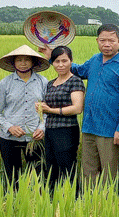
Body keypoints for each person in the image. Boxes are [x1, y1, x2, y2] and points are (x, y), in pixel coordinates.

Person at [67, 24, 119, 186]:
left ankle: (109, 206)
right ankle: (88, 207)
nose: (106, 44)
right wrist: (54, 57)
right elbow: (78, 70)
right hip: (89, 126)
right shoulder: (95, 60)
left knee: (110, 174)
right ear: (97, 40)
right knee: (88, 171)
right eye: (103, 40)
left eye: (111, 41)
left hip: (111, 130)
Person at [0, 45, 49, 189]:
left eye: (27, 60)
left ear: (33, 62)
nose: (23, 63)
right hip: (10, 138)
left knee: (38, 175)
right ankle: (12, 204)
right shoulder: (5, 83)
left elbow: (47, 110)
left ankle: (38, 205)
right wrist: (9, 127)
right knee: (11, 176)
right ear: (13, 63)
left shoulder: (43, 82)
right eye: (19, 60)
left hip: (35, 137)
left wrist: (42, 128)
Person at [35, 45, 85, 192]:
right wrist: (40, 107)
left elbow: (77, 108)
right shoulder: (50, 83)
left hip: (66, 131)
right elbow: (47, 107)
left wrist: (51, 110)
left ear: (71, 61)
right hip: (50, 130)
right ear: (52, 63)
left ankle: (74, 199)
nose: (61, 65)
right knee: (51, 166)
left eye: (64, 61)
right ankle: (52, 200)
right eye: (57, 61)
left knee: (67, 166)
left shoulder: (75, 81)